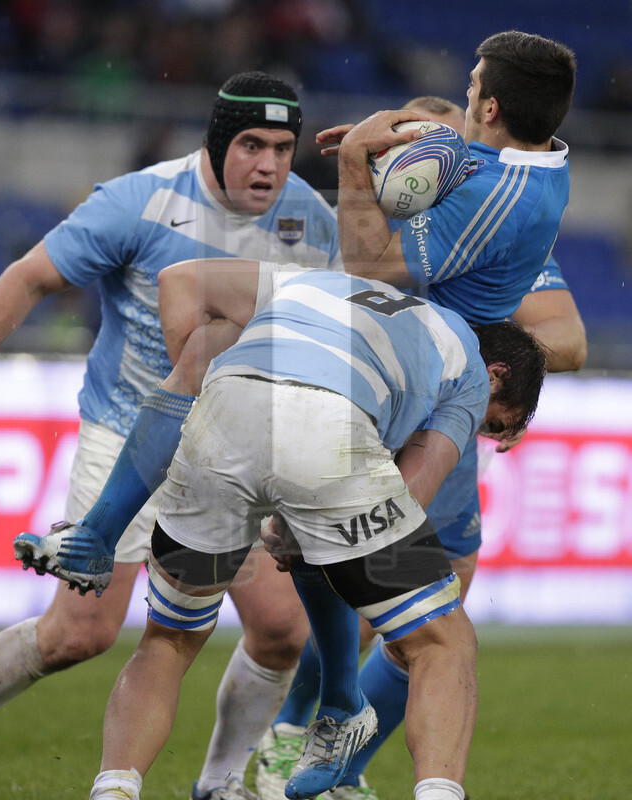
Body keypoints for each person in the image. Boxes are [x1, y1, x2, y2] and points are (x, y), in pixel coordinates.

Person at [0, 70, 343, 800]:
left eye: (283, 147)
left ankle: (219, 785)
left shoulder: (310, 217)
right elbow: (27, 277)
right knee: (78, 635)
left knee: (282, 630)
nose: (269, 164)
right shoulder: (140, 200)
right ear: (218, 143)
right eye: (251, 144)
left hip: (237, 456)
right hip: (126, 438)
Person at [86, 257, 547, 800]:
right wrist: (317, 521)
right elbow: (412, 493)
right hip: (329, 428)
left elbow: (181, 279)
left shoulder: (317, 281)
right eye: (492, 424)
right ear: (498, 376)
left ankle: (114, 787)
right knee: (443, 644)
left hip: (218, 414)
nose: (479, 436)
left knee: (167, 637)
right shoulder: (467, 367)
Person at [257, 31, 581, 799]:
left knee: (403, 606)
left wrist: (357, 173)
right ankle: (299, 735)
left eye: (468, 90)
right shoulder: (516, 173)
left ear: (489, 106)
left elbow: (563, 340)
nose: (461, 97)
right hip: (398, 407)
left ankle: (329, 761)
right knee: (400, 604)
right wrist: (387, 156)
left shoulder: (488, 204)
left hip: (428, 408)